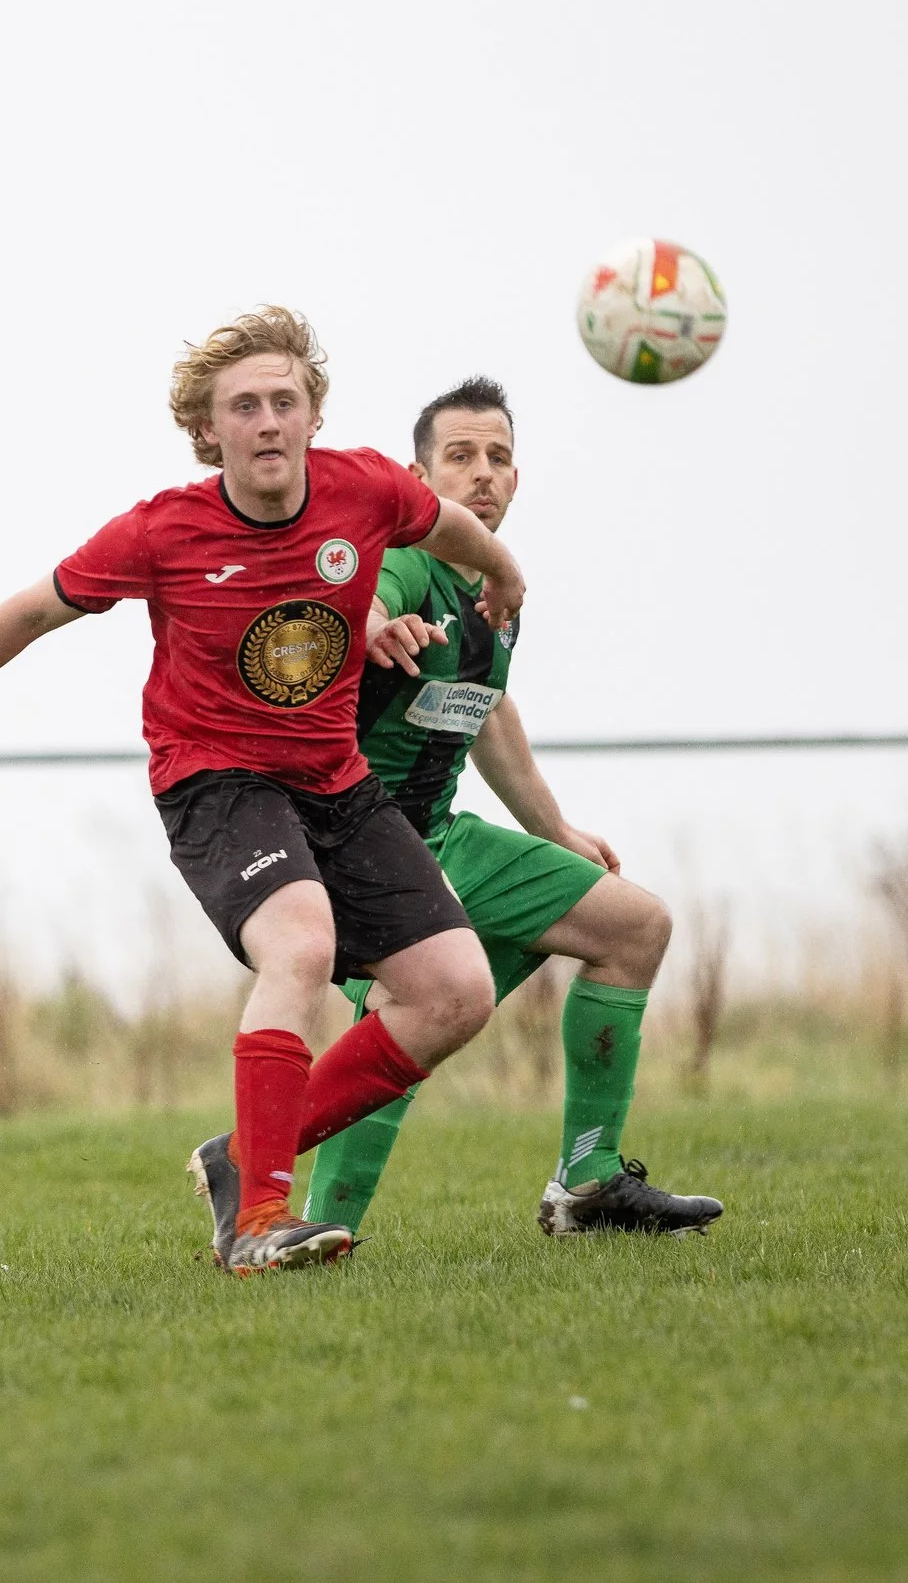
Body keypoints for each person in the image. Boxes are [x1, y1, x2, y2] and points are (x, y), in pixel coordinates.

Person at [0, 308, 528, 1274]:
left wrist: (504, 568)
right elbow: (30, 612)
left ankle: (244, 1159)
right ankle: (257, 1225)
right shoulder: (162, 531)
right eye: (242, 407)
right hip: (216, 783)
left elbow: (445, 520)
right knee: (301, 944)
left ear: (311, 416)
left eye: (283, 402)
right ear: (208, 432)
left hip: (335, 779)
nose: (266, 423)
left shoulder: (367, 488)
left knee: (456, 994)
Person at [300, 376, 724, 1237]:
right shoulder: (411, 565)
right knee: (404, 1026)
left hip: (448, 839)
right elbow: (358, 600)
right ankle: (306, 1215)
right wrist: (369, 620)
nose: (483, 473)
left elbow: (486, 711)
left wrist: (557, 832)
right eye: (460, 457)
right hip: (367, 848)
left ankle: (588, 1182)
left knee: (633, 928)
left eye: (498, 457)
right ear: (420, 479)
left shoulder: (497, 593)